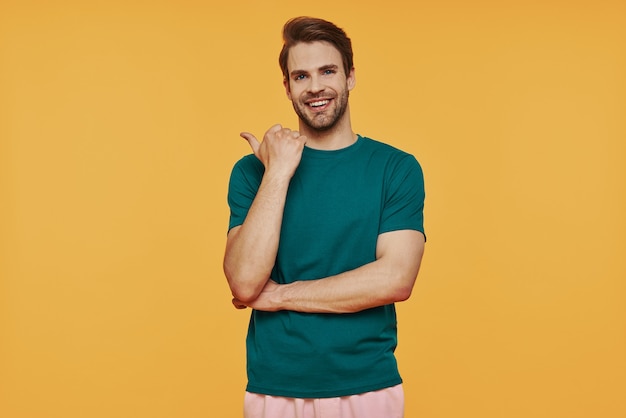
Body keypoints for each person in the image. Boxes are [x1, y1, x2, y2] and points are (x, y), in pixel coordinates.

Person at [224, 16, 426, 418]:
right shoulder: (253, 172)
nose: (315, 87)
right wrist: (278, 172)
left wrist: (280, 296)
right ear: (287, 87)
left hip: (367, 387)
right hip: (275, 387)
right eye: (301, 75)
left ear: (350, 77)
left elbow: (396, 278)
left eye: (328, 71)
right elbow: (244, 282)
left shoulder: (395, 168)